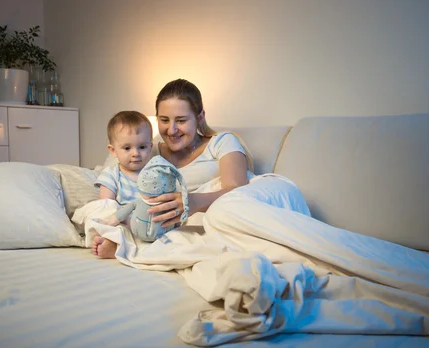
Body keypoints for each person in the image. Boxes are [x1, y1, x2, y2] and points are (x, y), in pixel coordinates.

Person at [93, 78, 308, 259]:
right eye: (164, 120)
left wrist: (192, 201)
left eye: (181, 120)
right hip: (187, 223)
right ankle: (129, 246)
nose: (172, 129)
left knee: (224, 212)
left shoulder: (221, 142)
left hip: (230, 208)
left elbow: (238, 189)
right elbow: (118, 177)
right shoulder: (150, 151)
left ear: (200, 117)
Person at [92, 111, 153, 256]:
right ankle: (113, 246)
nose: (135, 153)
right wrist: (124, 220)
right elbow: (106, 205)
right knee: (110, 224)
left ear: (150, 147)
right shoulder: (111, 174)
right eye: (127, 148)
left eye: (142, 147)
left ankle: (127, 246)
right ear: (113, 150)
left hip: (147, 224)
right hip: (122, 221)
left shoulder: (153, 174)